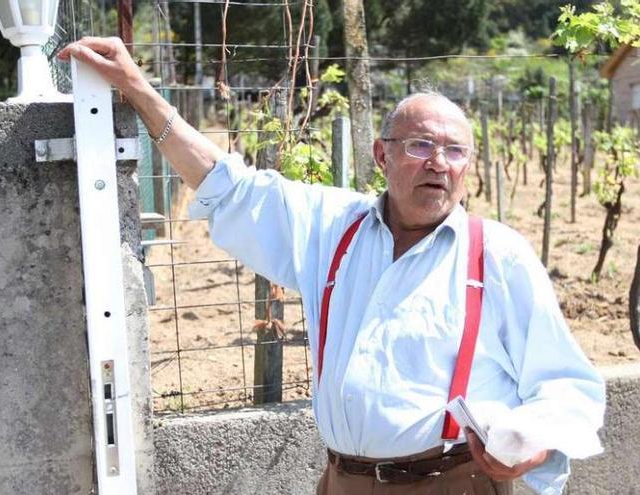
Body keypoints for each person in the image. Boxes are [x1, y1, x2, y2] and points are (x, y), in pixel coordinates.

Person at [59, 37, 605, 495]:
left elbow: (566, 385)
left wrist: (532, 444)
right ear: (381, 154)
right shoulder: (332, 229)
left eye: (455, 151)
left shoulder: (498, 254)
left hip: (454, 483)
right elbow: (229, 186)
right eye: (420, 144)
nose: (439, 162)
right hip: (342, 482)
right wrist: (139, 90)